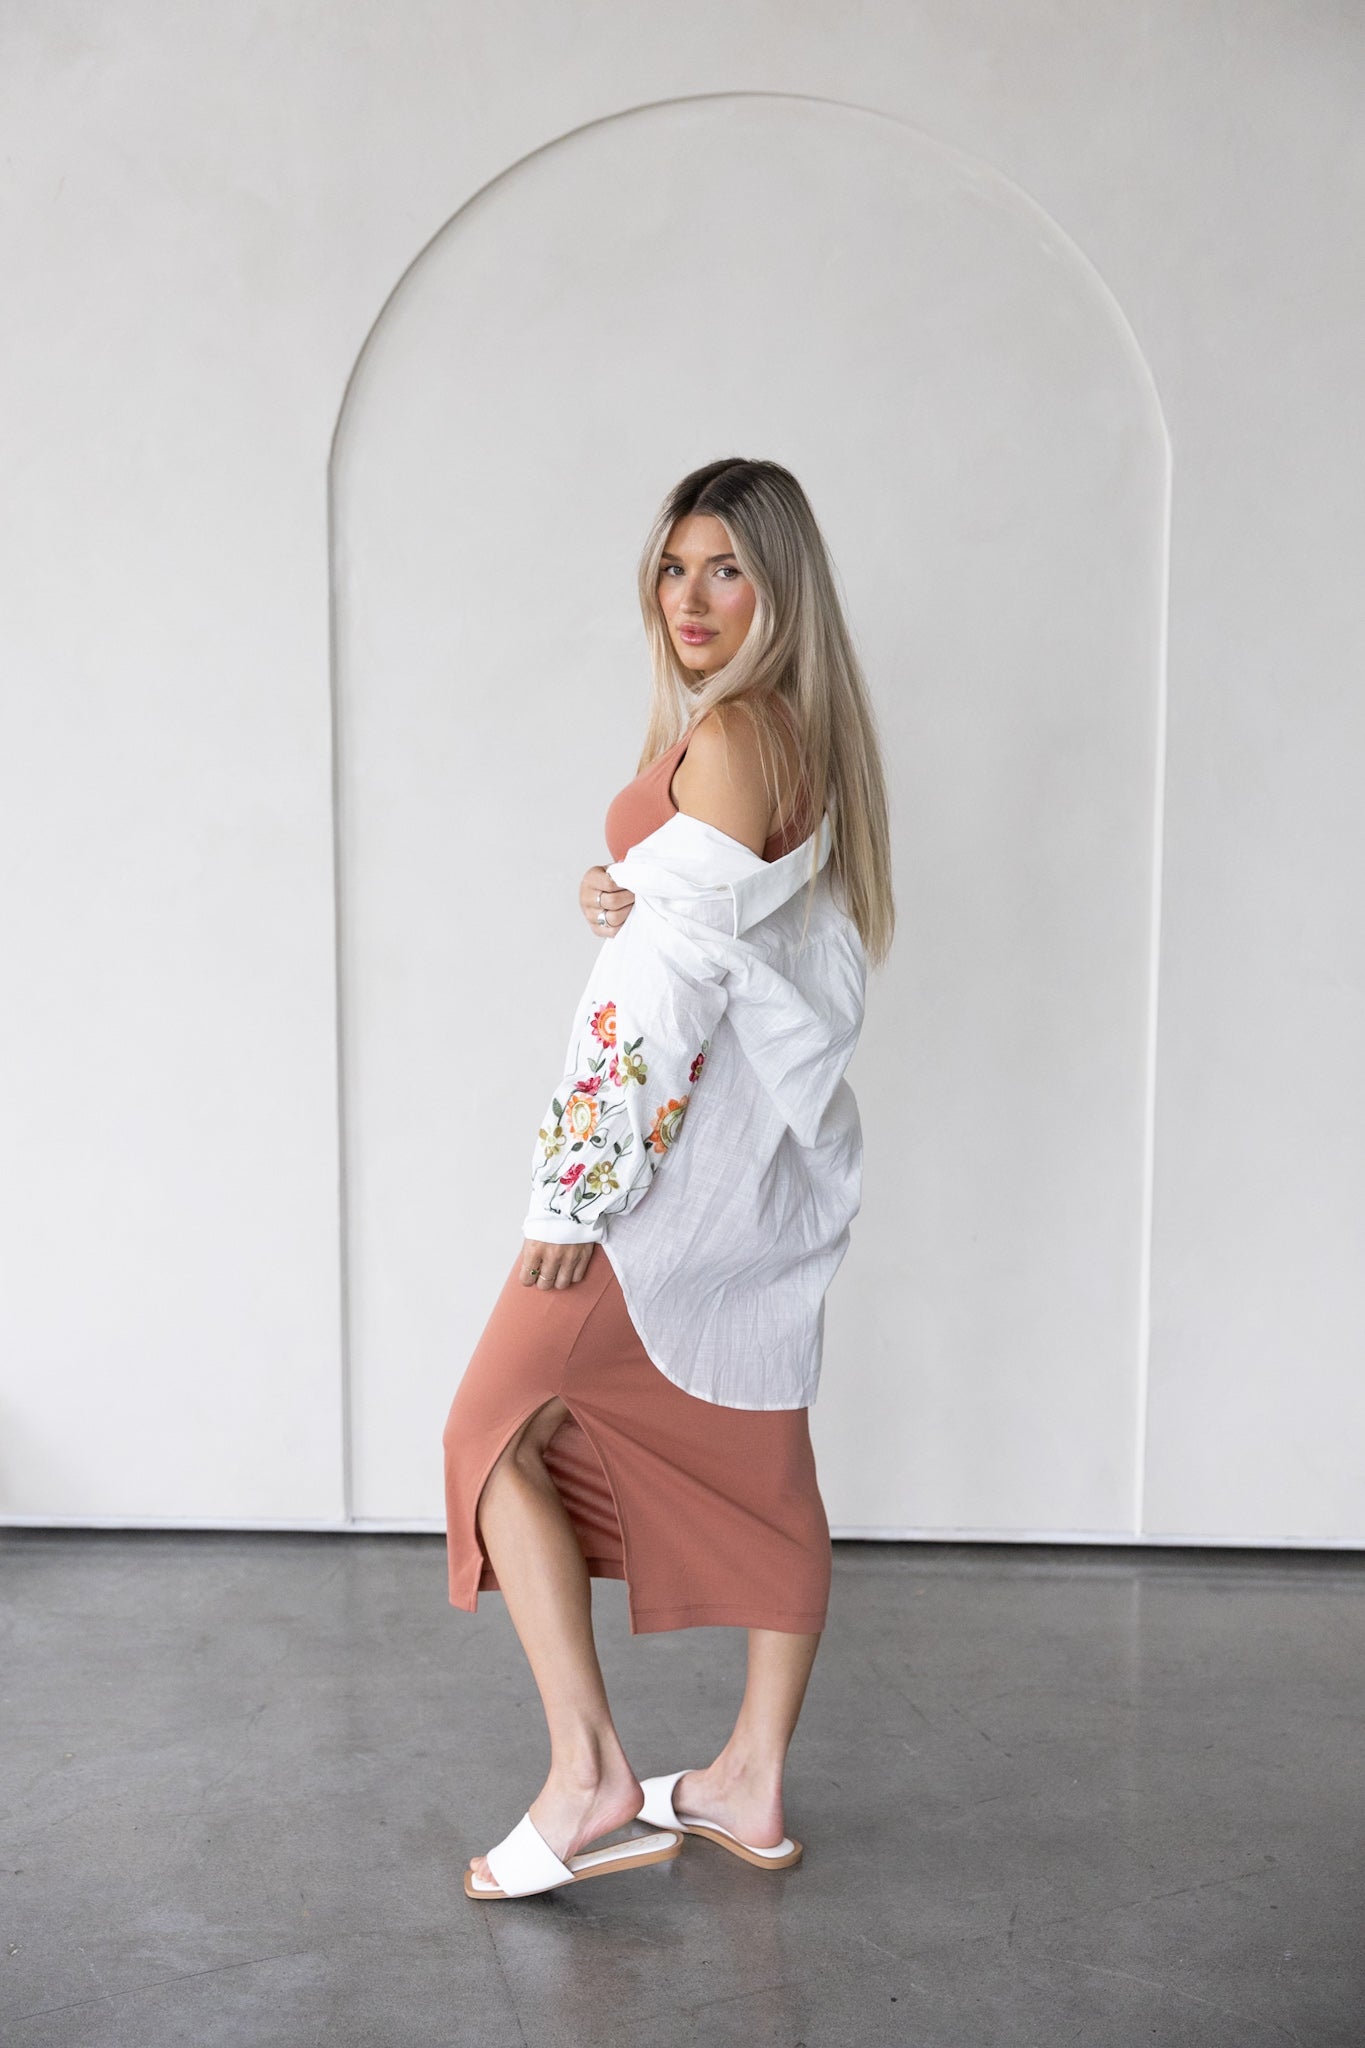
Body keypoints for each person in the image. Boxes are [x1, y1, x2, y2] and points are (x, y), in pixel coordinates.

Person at [442, 456, 895, 1901]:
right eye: (673, 566)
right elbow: (737, 939)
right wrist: (624, 888)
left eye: (727, 571)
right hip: (740, 1174)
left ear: (781, 591)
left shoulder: (737, 733)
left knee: (491, 1432)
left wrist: (572, 1194)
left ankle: (588, 1776)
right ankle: (747, 1780)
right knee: (764, 1461)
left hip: (649, 1188)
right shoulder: (793, 736)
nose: (688, 599)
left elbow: (657, 997)